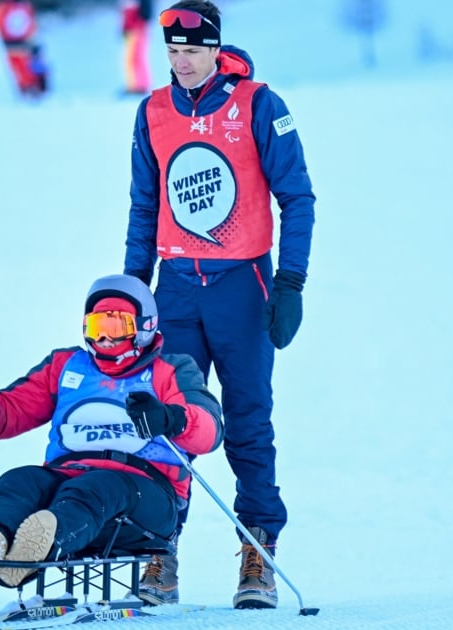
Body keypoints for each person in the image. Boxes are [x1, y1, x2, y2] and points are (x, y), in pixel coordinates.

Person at [122, 0, 316, 610]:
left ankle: (258, 549)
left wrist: (290, 283)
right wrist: (133, 291)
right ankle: (158, 553)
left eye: (191, 52)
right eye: (172, 54)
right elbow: (143, 208)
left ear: (215, 49)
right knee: (163, 423)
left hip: (243, 288)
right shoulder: (152, 111)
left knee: (248, 424)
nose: (181, 64)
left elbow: (299, 199)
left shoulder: (259, 105)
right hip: (175, 289)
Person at [0, 274, 223, 588]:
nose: (105, 338)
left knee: (99, 485)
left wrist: (173, 418)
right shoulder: (66, 366)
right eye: (97, 328)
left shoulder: (170, 370)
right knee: (22, 479)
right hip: (70, 476)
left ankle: (41, 543)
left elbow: (211, 432)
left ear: (144, 327)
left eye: (117, 327)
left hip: (147, 497)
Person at [121, 0, 153, 95]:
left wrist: (138, 24)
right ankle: (136, 85)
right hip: (133, 27)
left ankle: (139, 85)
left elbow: (145, 9)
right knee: (133, 58)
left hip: (136, 28)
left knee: (135, 58)